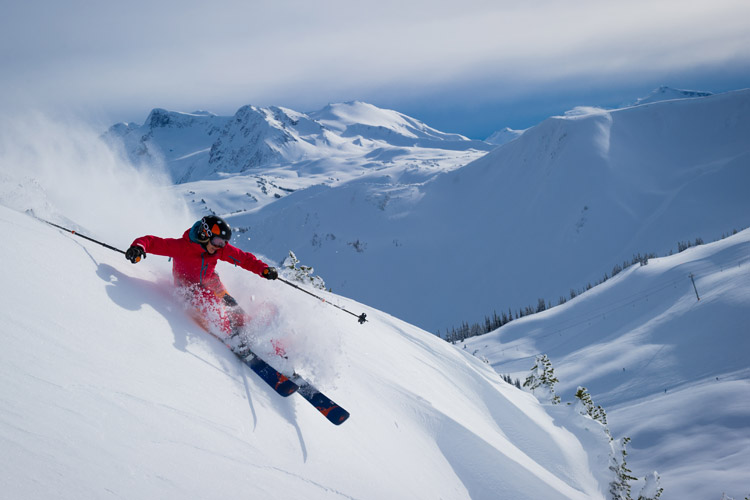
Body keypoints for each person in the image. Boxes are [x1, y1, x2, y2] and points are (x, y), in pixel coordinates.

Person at [125, 215, 278, 353]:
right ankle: (231, 339)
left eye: (224, 243)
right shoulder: (181, 247)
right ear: (205, 234)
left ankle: (257, 340)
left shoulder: (219, 250)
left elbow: (244, 259)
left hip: (212, 282)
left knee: (236, 311)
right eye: (218, 241)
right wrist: (138, 248)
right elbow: (152, 242)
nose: (220, 246)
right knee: (215, 310)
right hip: (188, 288)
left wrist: (263, 269)